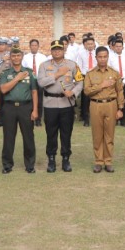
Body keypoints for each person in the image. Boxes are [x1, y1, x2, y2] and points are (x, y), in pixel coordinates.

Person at [37, 40, 83, 173]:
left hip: (66, 104)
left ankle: (65, 159)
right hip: (50, 103)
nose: (57, 51)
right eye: (54, 49)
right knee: (51, 133)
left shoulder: (72, 65)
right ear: (51, 51)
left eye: (59, 49)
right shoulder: (44, 66)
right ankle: (51, 159)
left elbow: (80, 82)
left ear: (64, 51)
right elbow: (41, 82)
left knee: (66, 133)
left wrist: (73, 92)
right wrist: (57, 74)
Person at [83, 45, 124, 173]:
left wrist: (120, 108)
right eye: (100, 57)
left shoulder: (114, 73)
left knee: (109, 134)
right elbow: (87, 91)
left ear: (108, 57)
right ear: (96, 58)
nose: (102, 59)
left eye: (105, 57)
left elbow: (120, 91)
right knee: (97, 135)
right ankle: (98, 161)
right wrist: (102, 85)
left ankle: (108, 161)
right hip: (96, 105)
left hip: (111, 105)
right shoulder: (90, 74)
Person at [0, 47, 39, 174]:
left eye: (18, 56)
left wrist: (35, 110)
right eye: (13, 56)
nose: (16, 58)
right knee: (8, 137)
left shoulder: (29, 72)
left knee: (28, 137)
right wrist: (17, 78)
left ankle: (30, 165)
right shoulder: (5, 73)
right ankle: (7, 165)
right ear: (10, 57)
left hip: (25, 107)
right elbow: (3, 89)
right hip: (9, 107)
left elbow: (34, 91)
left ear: (22, 57)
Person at [110, 38, 125, 127]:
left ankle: (123, 120)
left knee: (123, 101)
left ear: (123, 47)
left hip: (124, 81)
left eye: (120, 46)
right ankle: (115, 119)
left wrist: (124, 81)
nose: (118, 48)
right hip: (114, 81)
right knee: (114, 100)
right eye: (117, 46)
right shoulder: (110, 57)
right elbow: (110, 70)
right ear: (114, 47)